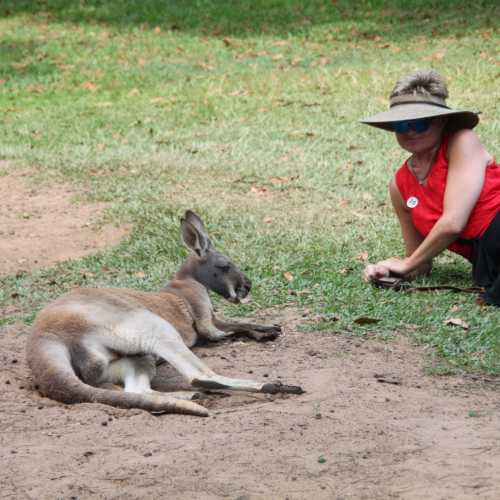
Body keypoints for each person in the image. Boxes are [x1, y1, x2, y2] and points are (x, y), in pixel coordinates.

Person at [360, 69, 500, 306]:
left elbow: (453, 223)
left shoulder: (462, 140)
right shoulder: (400, 185)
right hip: (487, 263)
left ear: (441, 121)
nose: (410, 131)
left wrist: (407, 263)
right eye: (401, 125)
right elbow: (420, 262)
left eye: (419, 122)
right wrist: (387, 268)